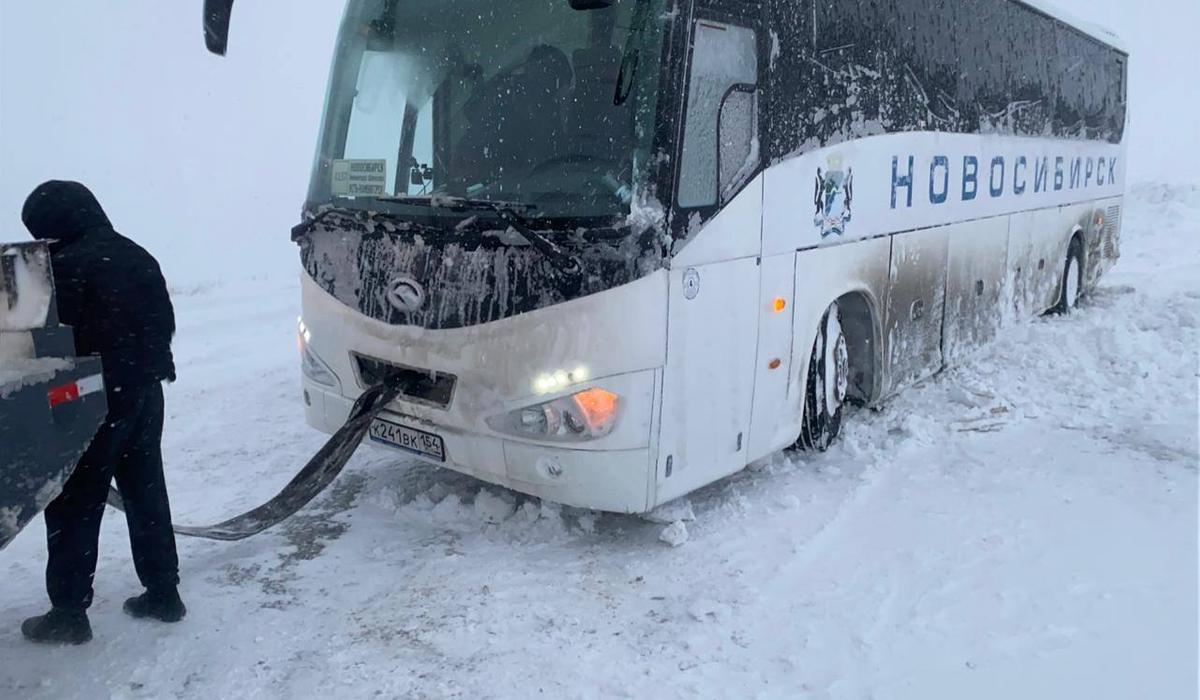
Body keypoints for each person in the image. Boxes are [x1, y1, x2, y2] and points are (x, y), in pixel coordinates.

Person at [19, 181, 184, 645]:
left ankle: (69, 613)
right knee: (146, 491)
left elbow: (44, 347)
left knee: (74, 503)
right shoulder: (136, 254)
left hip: (92, 397)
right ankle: (163, 591)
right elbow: (163, 325)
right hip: (147, 393)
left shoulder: (59, 267)